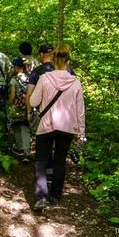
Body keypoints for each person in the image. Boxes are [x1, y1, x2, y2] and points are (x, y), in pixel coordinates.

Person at [30, 44, 85, 211]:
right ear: (68, 62)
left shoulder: (44, 78)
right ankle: (55, 196)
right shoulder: (75, 83)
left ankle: (41, 197)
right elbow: (80, 110)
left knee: (40, 161)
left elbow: (33, 102)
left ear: (53, 61)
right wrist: (81, 132)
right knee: (60, 161)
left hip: (47, 125)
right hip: (68, 127)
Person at [8, 57, 31, 161]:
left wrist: (10, 104)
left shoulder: (14, 80)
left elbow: (12, 96)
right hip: (27, 106)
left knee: (16, 127)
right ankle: (27, 151)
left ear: (16, 67)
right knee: (25, 128)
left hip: (17, 107)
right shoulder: (29, 78)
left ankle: (20, 149)